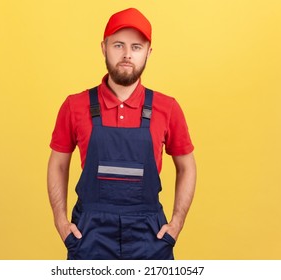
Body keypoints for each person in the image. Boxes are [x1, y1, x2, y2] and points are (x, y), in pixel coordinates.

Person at [47, 7, 197, 260]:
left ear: (148, 52)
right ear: (103, 47)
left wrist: (177, 223)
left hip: (150, 236)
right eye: (118, 45)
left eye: (136, 47)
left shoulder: (168, 108)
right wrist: (60, 222)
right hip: (89, 235)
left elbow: (187, 167)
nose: (127, 55)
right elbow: (58, 165)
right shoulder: (74, 105)